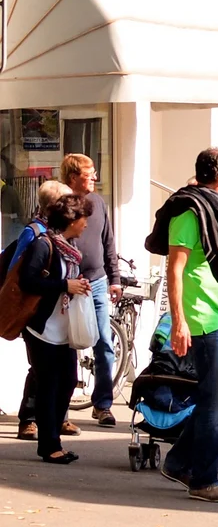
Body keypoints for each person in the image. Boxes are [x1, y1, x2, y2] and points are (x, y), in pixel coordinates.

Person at [146, 147, 218, 502]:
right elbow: (175, 269)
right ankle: (204, 480)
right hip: (200, 319)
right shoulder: (190, 212)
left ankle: (178, 462)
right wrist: (179, 322)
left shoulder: (212, 210)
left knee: (213, 400)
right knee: (216, 402)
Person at [18, 194, 93, 464]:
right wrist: (65, 286)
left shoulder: (68, 248)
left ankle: (52, 440)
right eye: (84, 219)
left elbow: (65, 281)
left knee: (68, 381)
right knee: (49, 386)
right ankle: (49, 447)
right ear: (72, 220)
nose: (86, 225)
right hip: (41, 329)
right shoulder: (44, 245)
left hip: (62, 329)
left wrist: (76, 285)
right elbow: (28, 280)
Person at [59, 154, 121, 428]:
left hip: (96, 282)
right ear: (73, 178)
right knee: (64, 347)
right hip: (67, 284)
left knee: (104, 344)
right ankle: (60, 412)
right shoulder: (59, 204)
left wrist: (115, 278)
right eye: (89, 173)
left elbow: (108, 241)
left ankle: (103, 405)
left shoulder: (98, 202)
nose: (95, 177)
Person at [14, 180, 72, 441]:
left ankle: (52, 425)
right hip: (37, 318)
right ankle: (29, 419)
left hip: (56, 321)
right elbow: (20, 278)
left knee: (56, 377)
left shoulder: (61, 239)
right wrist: (62, 285)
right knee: (40, 373)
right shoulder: (37, 235)